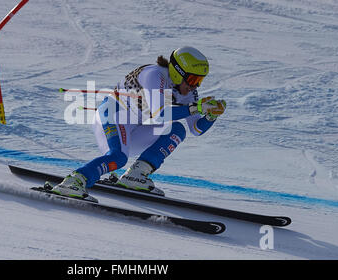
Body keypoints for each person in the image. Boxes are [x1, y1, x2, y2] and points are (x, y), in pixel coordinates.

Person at [51, 46, 226, 199]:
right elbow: (160, 114)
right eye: (193, 80)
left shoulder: (186, 91)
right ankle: (74, 180)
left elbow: (196, 129)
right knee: (118, 157)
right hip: (112, 116)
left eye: (200, 81)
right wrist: (196, 108)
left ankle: (135, 175)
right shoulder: (155, 75)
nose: (195, 86)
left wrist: (210, 116)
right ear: (178, 72)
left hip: (135, 128)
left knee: (177, 129)